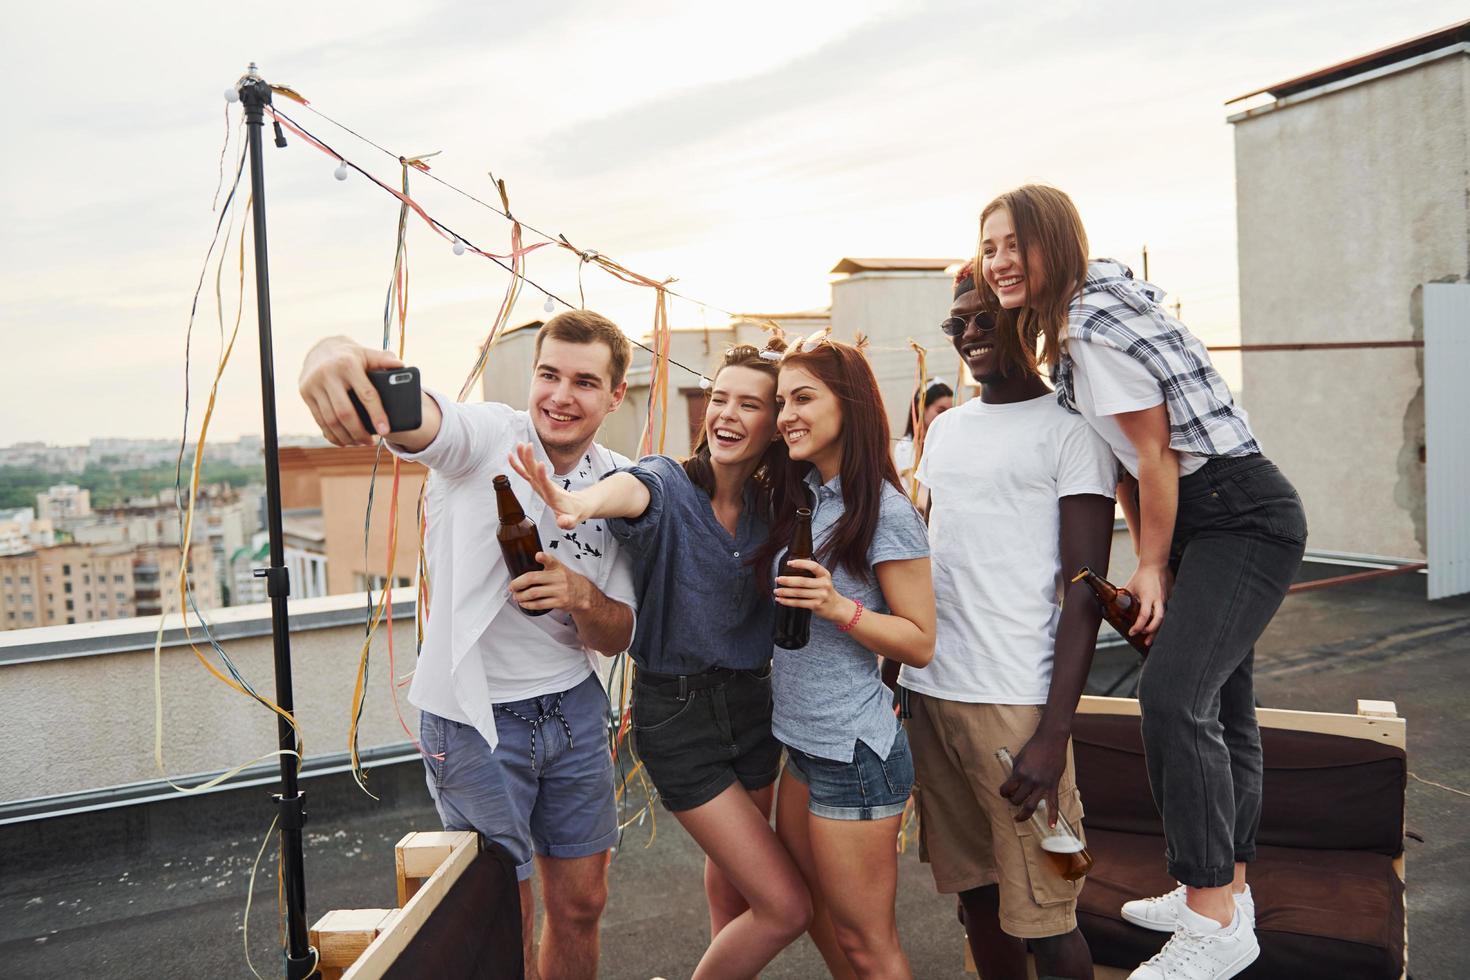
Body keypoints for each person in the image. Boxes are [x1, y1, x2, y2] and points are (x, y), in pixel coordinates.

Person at [977, 185, 1306, 980]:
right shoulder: (1089, 317)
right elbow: (1129, 465)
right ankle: (1228, 888)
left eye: (1015, 243)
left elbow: (1156, 457)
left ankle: (1210, 917)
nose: (1000, 263)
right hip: (1207, 516)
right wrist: (1149, 555)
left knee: (1172, 699)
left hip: (1239, 515)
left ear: (1057, 243)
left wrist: (1152, 563)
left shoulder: (1091, 332)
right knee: (1225, 708)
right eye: (989, 248)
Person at [297, 311, 640, 980]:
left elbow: (622, 630)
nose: (561, 396)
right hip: (475, 722)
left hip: (573, 709)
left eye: (584, 382)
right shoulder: (489, 438)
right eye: (549, 375)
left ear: (615, 395)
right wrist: (333, 354)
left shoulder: (617, 482)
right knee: (499, 921)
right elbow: (422, 419)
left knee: (582, 903)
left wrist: (578, 595)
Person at [506, 338, 813, 979]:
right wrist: (577, 502)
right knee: (787, 906)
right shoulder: (671, 485)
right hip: (680, 717)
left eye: (748, 404)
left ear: (775, 423)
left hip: (755, 707)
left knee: (737, 887)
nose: (725, 414)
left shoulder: (774, 508)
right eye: (719, 398)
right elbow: (629, 489)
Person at [901, 261, 1116, 980]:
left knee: (1048, 916)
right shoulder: (948, 431)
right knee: (977, 899)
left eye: (983, 320)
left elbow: (1086, 593)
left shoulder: (1072, 433)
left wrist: (1054, 734)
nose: (967, 336)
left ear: (1029, 318)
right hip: (931, 691)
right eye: (956, 325)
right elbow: (926, 557)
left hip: (1014, 706)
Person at [757, 333, 937, 980]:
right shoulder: (807, 494)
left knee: (868, 943)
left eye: (804, 398)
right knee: (819, 919)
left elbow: (919, 639)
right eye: (781, 401)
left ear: (850, 405)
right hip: (803, 744)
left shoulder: (885, 512)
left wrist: (840, 609)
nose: (785, 416)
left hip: (854, 754)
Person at [892, 377, 953, 497]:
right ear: (921, 409)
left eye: (950, 412)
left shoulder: (949, 443)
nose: (946, 417)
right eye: (940, 411)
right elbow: (918, 494)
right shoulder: (905, 447)